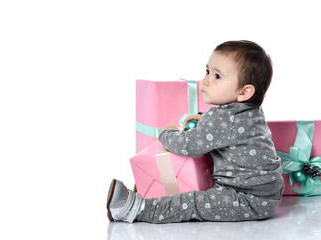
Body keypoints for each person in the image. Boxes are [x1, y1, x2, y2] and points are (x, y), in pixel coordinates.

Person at [106, 40, 285, 223]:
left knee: (193, 203)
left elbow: (188, 145)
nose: (206, 80)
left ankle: (133, 210)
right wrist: (205, 118)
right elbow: (227, 128)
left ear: (244, 92)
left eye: (217, 76)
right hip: (266, 192)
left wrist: (167, 133)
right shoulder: (249, 112)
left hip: (248, 198)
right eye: (208, 71)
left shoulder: (225, 120)